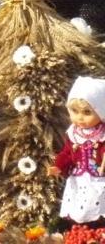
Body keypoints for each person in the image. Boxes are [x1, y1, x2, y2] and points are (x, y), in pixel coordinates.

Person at [48, 76, 105, 225]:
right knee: (79, 205)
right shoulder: (74, 133)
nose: (80, 117)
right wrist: (58, 166)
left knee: (98, 203)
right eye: (74, 111)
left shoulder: (102, 134)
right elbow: (66, 153)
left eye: (87, 112)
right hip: (79, 178)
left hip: (98, 178)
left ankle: (97, 225)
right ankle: (79, 227)